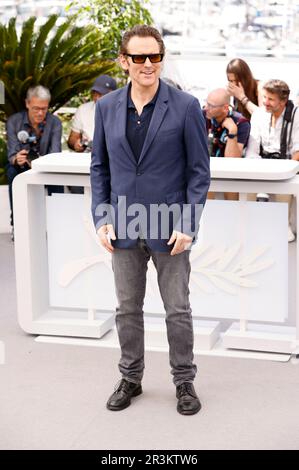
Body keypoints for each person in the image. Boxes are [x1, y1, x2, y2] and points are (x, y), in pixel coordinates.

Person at [90, 25, 210, 415]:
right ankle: (130, 377)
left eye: (154, 57)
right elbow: (100, 169)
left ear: (161, 58)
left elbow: (198, 172)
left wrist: (188, 223)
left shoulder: (186, 106)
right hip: (122, 225)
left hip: (171, 226)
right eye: (138, 57)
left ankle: (184, 382)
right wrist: (102, 217)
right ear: (124, 61)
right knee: (127, 309)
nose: (147, 65)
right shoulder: (107, 108)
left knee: (177, 309)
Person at [246, 79, 299, 241]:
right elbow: (252, 149)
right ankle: (248, 226)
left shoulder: (296, 115)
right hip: (262, 164)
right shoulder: (259, 114)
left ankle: (285, 226)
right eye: (264, 97)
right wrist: (259, 172)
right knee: (247, 187)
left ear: (283, 102)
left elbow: (297, 151)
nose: (265, 102)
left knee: (286, 187)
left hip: (287, 165)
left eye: (270, 99)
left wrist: (284, 171)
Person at [6, 85, 62, 239]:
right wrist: (17, 158)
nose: (40, 113)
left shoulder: (55, 123)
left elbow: (55, 153)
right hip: (22, 168)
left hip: (47, 168)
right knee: (12, 172)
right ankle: (16, 225)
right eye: (36, 108)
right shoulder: (14, 121)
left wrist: (39, 163)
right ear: (27, 104)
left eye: (44, 109)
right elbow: (11, 153)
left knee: (57, 180)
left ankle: (56, 224)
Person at [204, 88, 250, 200]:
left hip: (229, 173)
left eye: (211, 106)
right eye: (206, 103)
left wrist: (232, 131)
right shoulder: (202, 116)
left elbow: (233, 161)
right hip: (206, 169)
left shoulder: (241, 123)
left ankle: (233, 216)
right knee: (204, 185)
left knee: (232, 188)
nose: (206, 108)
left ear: (225, 108)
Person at [68, 75, 117, 152]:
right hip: (86, 157)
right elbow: (72, 138)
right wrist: (76, 144)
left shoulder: (123, 112)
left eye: (101, 94)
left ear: (114, 94)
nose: (97, 98)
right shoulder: (83, 110)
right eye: (94, 93)